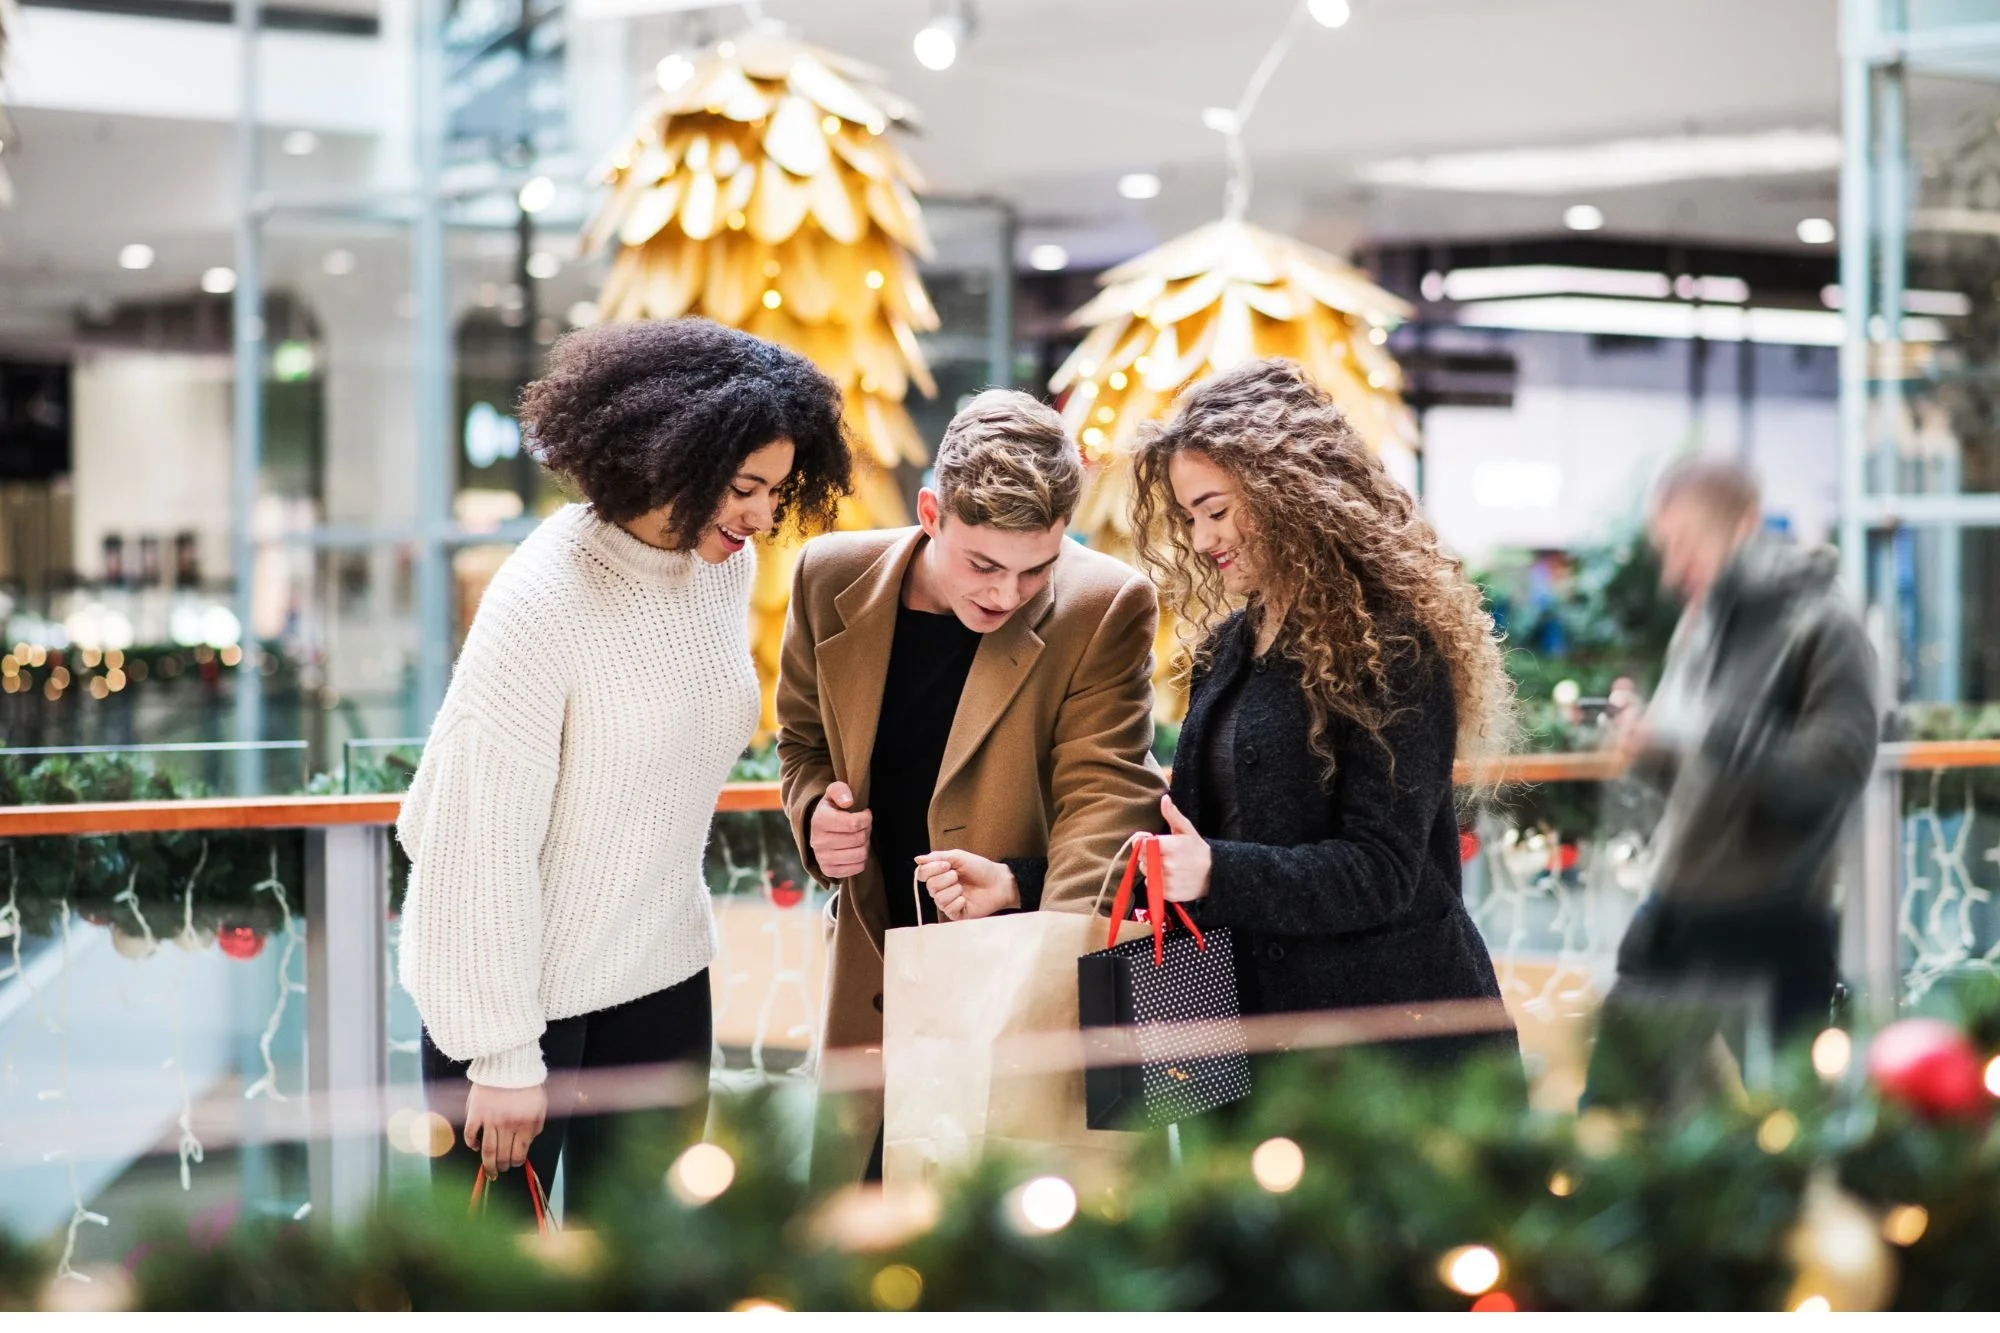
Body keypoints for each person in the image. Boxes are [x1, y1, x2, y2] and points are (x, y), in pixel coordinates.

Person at [396, 318, 852, 1216]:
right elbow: (469, 840)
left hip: (663, 981)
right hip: (520, 1011)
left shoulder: (719, 567)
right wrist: (500, 1054)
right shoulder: (543, 595)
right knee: (500, 1299)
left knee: (659, 1278)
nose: (763, 515)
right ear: (667, 456)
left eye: (776, 488)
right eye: (744, 486)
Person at [776, 388, 1164, 1183]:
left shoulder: (1104, 606)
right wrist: (815, 811)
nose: (1006, 594)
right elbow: (803, 740)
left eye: (1036, 569)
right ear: (930, 512)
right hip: (875, 985)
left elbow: (1106, 806)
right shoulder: (828, 576)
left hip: (1021, 988)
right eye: (983, 563)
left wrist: (1037, 957)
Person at [1128, 358, 1519, 1070]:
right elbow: (1190, 836)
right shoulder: (1229, 647)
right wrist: (1019, 881)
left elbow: (1381, 869)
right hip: (1257, 1045)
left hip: (1393, 1057)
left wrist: (1216, 871)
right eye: (1190, 518)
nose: (1201, 539)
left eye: (1216, 510)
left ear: (1286, 491)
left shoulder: (1393, 644)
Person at [1587, 458, 1878, 1109]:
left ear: (1745, 526)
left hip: (1773, 920)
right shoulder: (1702, 624)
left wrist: (1713, 729)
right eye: (1667, 549)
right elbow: (1697, 764)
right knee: (1618, 1116)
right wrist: (1650, 746)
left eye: (1686, 544)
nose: (1671, 570)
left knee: (1802, 1132)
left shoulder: (1827, 624)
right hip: (1678, 912)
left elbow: (1834, 773)